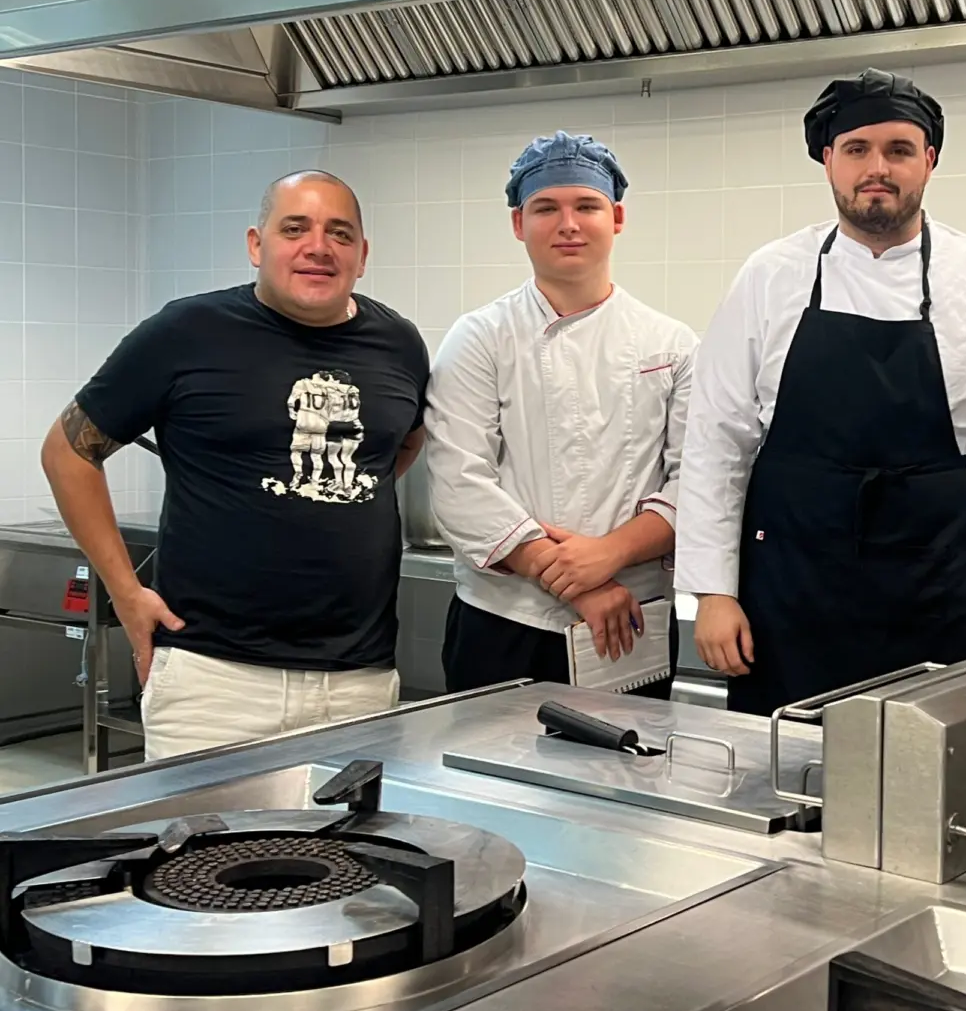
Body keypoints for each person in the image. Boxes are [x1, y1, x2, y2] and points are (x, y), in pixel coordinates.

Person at [675, 68, 966, 717]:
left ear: (930, 161)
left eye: (899, 150)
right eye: (857, 149)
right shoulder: (770, 276)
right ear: (828, 160)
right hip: (793, 590)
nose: (877, 168)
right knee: (786, 780)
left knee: (935, 782)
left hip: (940, 585)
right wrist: (713, 594)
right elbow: (717, 441)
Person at [40, 171, 430, 761]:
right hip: (211, 683)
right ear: (257, 244)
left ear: (362, 254)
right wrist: (125, 591)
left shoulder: (399, 343)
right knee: (199, 853)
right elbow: (68, 450)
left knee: (343, 855)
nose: (318, 247)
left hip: (358, 684)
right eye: (295, 228)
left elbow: (400, 444)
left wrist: (319, 497)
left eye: (339, 233)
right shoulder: (186, 332)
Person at [425, 132, 696, 699]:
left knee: (622, 780)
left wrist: (609, 554)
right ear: (519, 224)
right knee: (493, 783)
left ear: (616, 217)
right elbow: (458, 483)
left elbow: (695, 483)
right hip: (504, 621)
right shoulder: (480, 337)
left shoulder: (671, 343)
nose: (568, 224)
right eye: (546, 208)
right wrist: (578, 583)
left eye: (587, 206)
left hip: (630, 621)